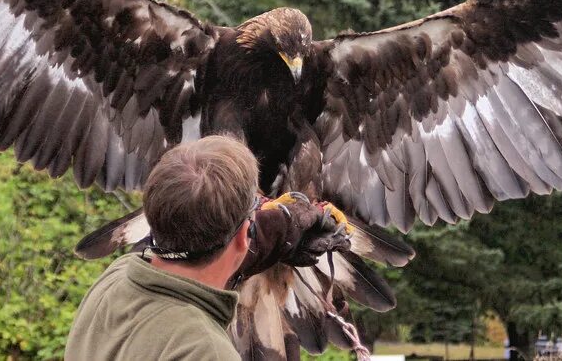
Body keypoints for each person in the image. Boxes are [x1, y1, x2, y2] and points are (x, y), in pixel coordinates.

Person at [64, 135, 350, 361]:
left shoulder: (115, 280)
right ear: (242, 237)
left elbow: (179, 250)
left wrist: (282, 230)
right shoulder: (205, 350)